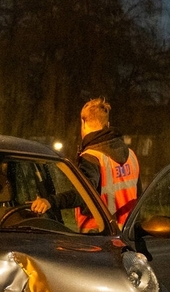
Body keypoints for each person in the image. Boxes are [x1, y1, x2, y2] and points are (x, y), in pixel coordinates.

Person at [30, 98, 140, 231]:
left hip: (98, 233)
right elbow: (139, 197)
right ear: (107, 124)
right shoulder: (131, 155)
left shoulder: (92, 157)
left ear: (83, 122)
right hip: (128, 233)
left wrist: (50, 202)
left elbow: (83, 194)